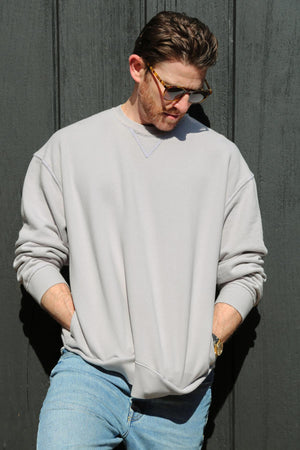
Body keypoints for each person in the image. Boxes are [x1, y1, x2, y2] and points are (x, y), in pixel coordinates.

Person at [14, 11, 267, 449]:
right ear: (137, 68)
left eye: (195, 92)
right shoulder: (70, 150)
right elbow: (34, 256)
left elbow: (246, 272)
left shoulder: (223, 161)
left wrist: (204, 343)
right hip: (89, 376)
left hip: (180, 394)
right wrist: (86, 325)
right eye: (172, 89)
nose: (183, 104)